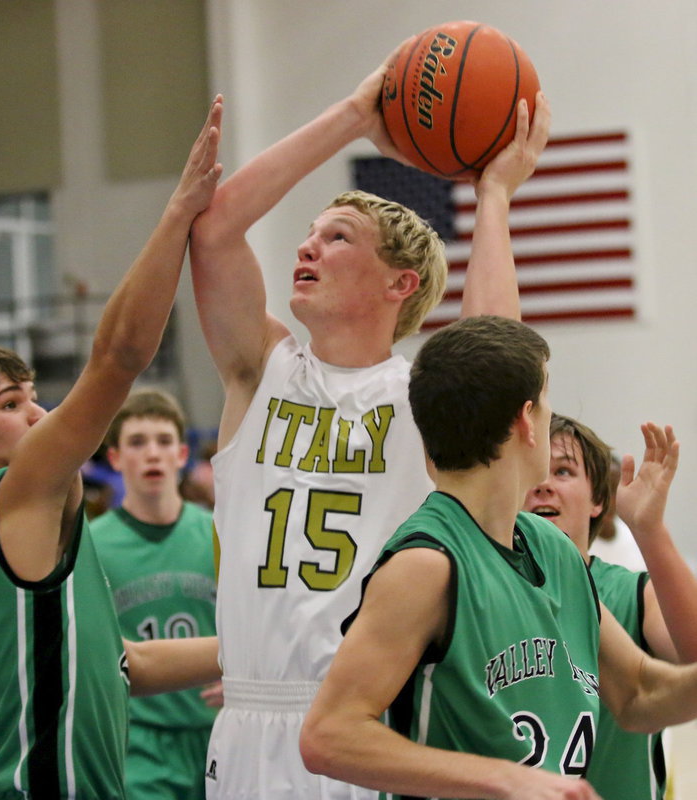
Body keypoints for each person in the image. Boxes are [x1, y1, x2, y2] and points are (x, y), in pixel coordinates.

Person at [188, 40, 551, 800]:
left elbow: (498, 348)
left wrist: (493, 196)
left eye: (336, 236)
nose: (306, 246)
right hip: (248, 721)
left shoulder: (419, 395)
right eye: (311, 232)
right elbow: (216, 225)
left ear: (400, 283)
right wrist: (355, 115)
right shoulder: (262, 370)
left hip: (366, 728)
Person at [0, 98, 224, 800]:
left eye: (33, 392)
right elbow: (120, 355)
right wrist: (177, 214)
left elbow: (121, 663)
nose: (39, 413)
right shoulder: (13, 493)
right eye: (11, 405)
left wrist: (287, 651)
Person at [300, 315, 697, 800]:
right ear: (525, 420)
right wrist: (506, 778)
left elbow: (638, 692)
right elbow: (328, 735)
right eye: (548, 401)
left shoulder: (553, 548)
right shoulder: (427, 563)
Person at [524, 413, 697, 799]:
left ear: (598, 500)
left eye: (563, 471)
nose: (544, 486)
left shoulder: (630, 592)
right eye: (532, 472)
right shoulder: (479, 587)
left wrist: (650, 529)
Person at [90, 388, 220, 800]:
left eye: (164, 442)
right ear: (114, 458)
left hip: (219, 731)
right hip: (141, 744)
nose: (152, 454)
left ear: (182, 455)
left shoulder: (220, 533)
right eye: (137, 442)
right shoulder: (90, 546)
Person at [588, 454, 647, 572]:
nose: (608, 501)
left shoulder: (635, 537)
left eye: (615, 490)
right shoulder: (575, 543)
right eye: (601, 491)